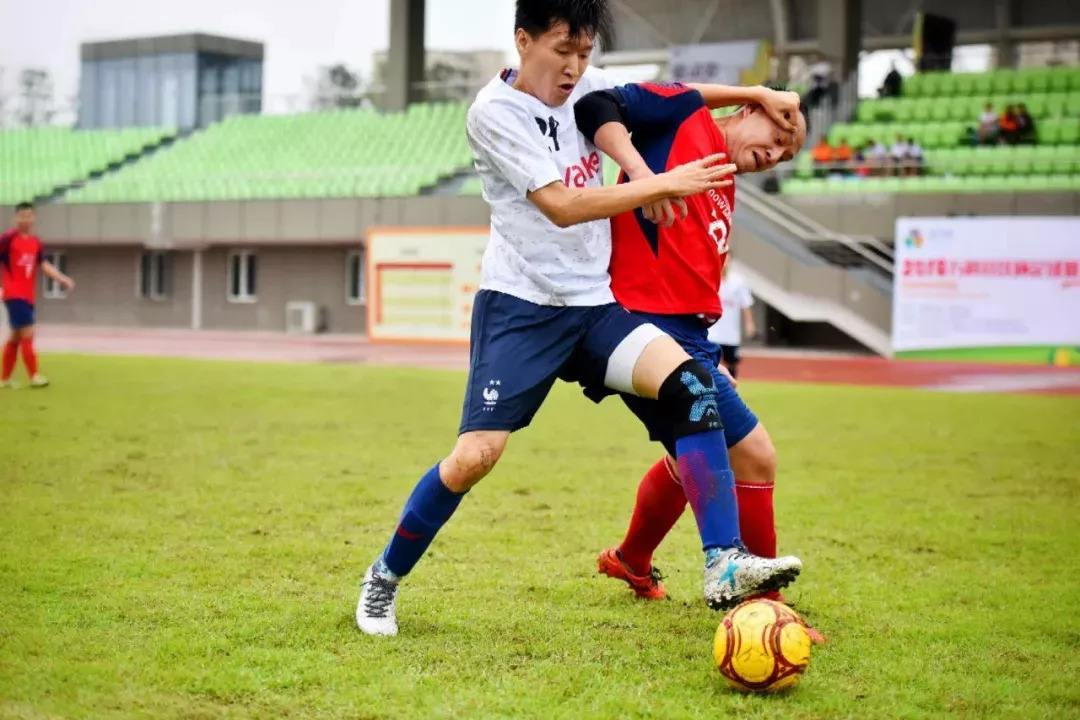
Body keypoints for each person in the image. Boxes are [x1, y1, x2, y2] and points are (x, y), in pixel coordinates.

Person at [355, 0, 805, 637]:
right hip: (521, 311)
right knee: (475, 456)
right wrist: (660, 184)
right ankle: (384, 577)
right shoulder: (495, 113)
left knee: (692, 385)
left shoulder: (590, 88)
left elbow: (677, 93)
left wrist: (755, 90)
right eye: (563, 50)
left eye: (586, 53)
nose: (574, 68)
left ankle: (723, 562)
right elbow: (563, 207)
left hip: (595, 308)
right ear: (524, 40)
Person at [568, 80, 808, 609]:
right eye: (777, 135)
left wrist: (711, 355)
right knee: (755, 455)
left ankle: (631, 559)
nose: (774, 154)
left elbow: (692, 276)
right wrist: (644, 176)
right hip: (640, 324)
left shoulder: (724, 181)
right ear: (751, 110)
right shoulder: (684, 118)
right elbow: (595, 105)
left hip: (691, 336)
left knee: (691, 458)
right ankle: (760, 605)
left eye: (785, 156)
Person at [0, 202, 75, 389]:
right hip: (14, 294)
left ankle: (4, 379)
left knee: (15, 337)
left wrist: (62, 279)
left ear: (34, 218)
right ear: (15, 218)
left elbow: (43, 265)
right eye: (22, 215)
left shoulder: (35, 242)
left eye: (29, 215)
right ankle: (34, 376)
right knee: (28, 332)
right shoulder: (7, 239)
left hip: (28, 296)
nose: (26, 219)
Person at [708, 264, 756, 379]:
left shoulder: (738, 282)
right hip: (712, 333)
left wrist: (750, 324)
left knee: (732, 364)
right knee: (710, 362)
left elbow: (746, 304)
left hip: (730, 335)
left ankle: (731, 389)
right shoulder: (710, 278)